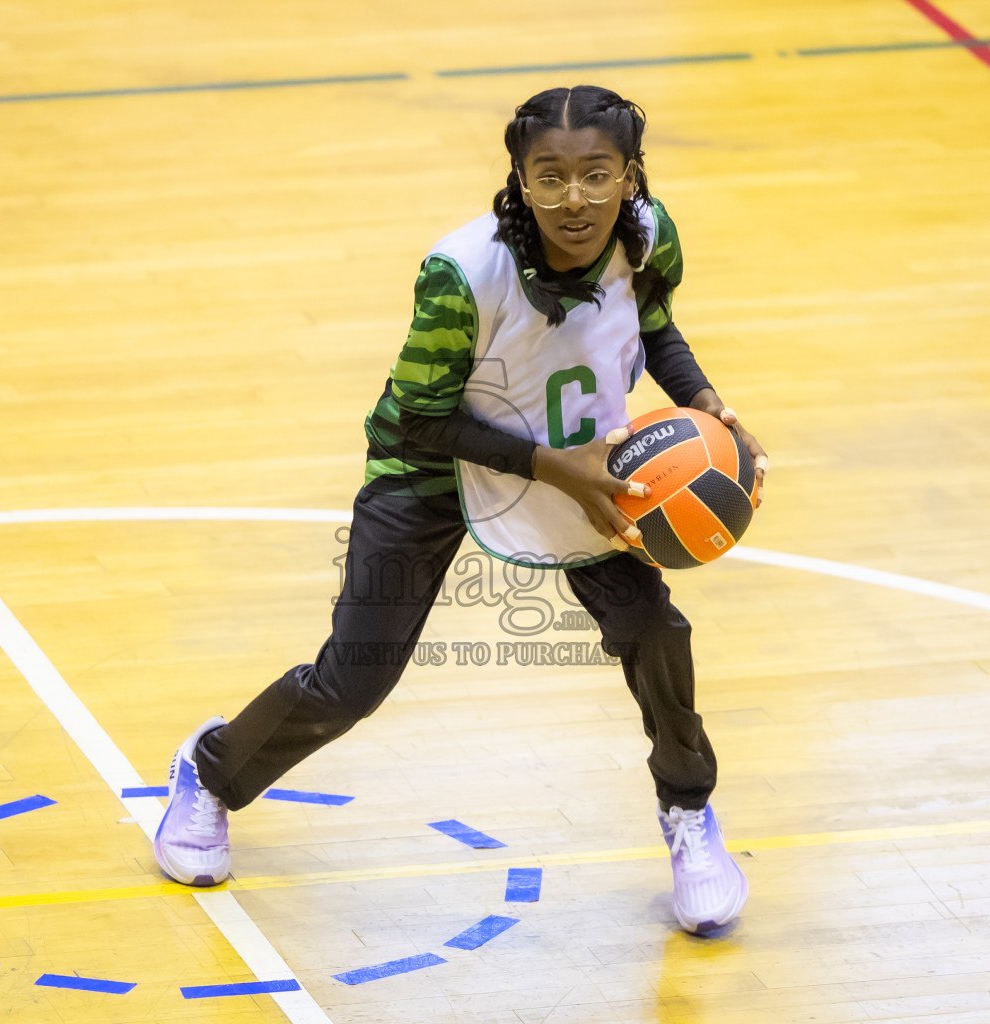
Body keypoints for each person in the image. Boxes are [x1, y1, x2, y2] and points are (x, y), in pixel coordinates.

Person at [152, 85, 768, 935]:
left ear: (631, 175)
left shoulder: (649, 233)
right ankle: (209, 773)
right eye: (549, 178)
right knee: (353, 679)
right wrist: (558, 470)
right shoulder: (462, 272)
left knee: (654, 630)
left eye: (597, 174)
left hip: (580, 455)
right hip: (433, 466)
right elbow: (416, 414)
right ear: (518, 179)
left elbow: (653, 324)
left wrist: (707, 406)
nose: (575, 198)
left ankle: (690, 815)